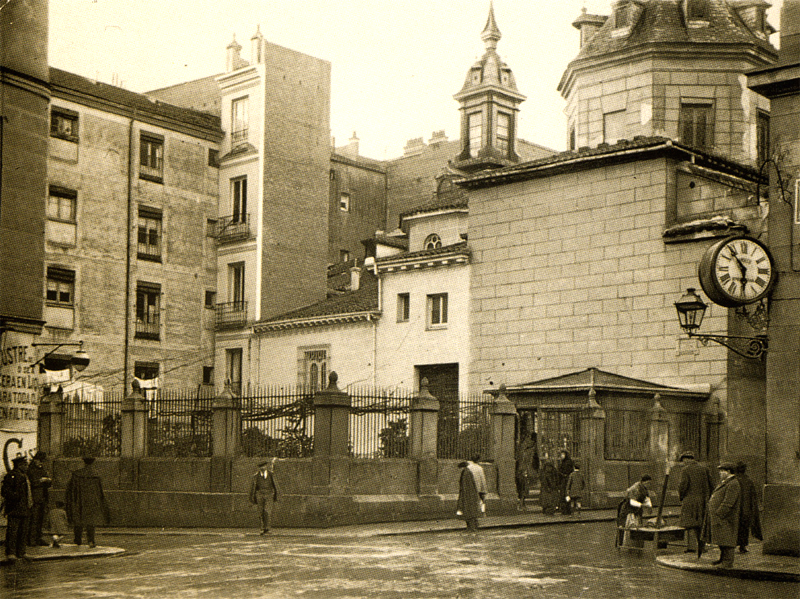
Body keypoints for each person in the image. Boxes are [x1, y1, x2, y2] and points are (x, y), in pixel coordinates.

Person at [702, 462, 741, 568]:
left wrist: (720, 513)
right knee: (721, 538)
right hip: (720, 517)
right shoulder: (726, 482)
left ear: (728, 472)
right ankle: (722, 559)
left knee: (727, 539)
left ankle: (728, 562)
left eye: (722, 471)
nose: (720, 473)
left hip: (726, 517)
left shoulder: (733, 483)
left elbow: (729, 501)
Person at [65, 456, 110, 548]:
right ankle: (91, 540)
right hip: (91, 501)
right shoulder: (96, 475)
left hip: (79, 499)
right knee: (90, 521)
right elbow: (99, 491)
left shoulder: (77, 474)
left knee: (78, 519)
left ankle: (77, 539)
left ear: (84, 462)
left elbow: (71, 489)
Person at [677, 450, 713, 553]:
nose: (683, 463)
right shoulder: (705, 469)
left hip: (690, 500)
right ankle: (702, 546)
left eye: (683, 460)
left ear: (687, 459)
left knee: (690, 524)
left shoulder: (686, 470)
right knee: (701, 524)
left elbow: (683, 485)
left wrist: (681, 496)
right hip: (703, 501)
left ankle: (692, 547)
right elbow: (711, 485)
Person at [1, 456, 32, 561]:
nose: (26, 467)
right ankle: (11, 552)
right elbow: (5, 491)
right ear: (19, 465)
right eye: (25, 464)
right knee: (13, 531)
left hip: (25, 508)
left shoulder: (24, 476)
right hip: (15, 508)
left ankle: (21, 552)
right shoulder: (11, 476)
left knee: (23, 531)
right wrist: (16, 497)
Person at [618, 474, 653, 548]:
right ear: (643, 482)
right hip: (629, 510)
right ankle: (628, 545)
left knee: (637, 527)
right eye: (647, 483)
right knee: (629, 527)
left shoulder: (644, 488)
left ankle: (636, 545)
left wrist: (649, 506)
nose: (649, 485)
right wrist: (642, 505)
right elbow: (631, 501)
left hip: (637, 511)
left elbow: (646, 498)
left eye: (650, 483)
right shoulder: (635, 488)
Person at [735, 461, 762, 553]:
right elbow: (753, 497)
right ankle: (742, 546)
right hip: (746, 509)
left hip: (736, 508)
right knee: (744, 528)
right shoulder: (749, 481)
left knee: (735, 527)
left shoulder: (734, 480)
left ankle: (733, 546)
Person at [27, 450, 52, 547]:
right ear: (35, 460)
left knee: (40, 519)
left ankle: (38, 538)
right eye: (39, 461)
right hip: (34, 498)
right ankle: (31, 539)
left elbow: (49, 483)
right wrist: (41, 481)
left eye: (42, 461)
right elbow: (32, 483)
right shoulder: (30, 470)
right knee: (34, 519)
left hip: (43, 497)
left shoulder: (42, 469)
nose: (41, 463)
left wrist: (48, 480)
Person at [456, 455, 486, 532]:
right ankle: (475, 525)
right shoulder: (479, 468)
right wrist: (483, 492)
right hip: (477, 490)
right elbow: (483, 481)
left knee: (468, 508)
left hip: (468, 491)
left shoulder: (468, 468)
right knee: (476, 507)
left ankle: (471, 527)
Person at [249, 458, 279, 535]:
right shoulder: (256, 476)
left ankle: (267, 528)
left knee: (267, 511)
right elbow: (253, 487)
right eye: (261, 466)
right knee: (260, 512)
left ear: (266, 466)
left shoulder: (271, 474)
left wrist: (276, 495)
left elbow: (275, 485)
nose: (262, 468)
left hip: (269, 494)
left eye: (264, 466)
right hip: (260, 494)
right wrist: (252, 497)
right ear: (259, 468)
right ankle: (262, 528)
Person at [557, 450, 575, 514]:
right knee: (564, 495)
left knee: (566, 495)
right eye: (561, 455)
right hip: (564, 480)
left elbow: (568, 471)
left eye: (563, 454)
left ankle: (567, 509)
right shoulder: (563, 462)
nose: (561, 456)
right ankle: (565, 509)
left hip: (566, 480)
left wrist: (561, 473)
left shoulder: (568, 462)